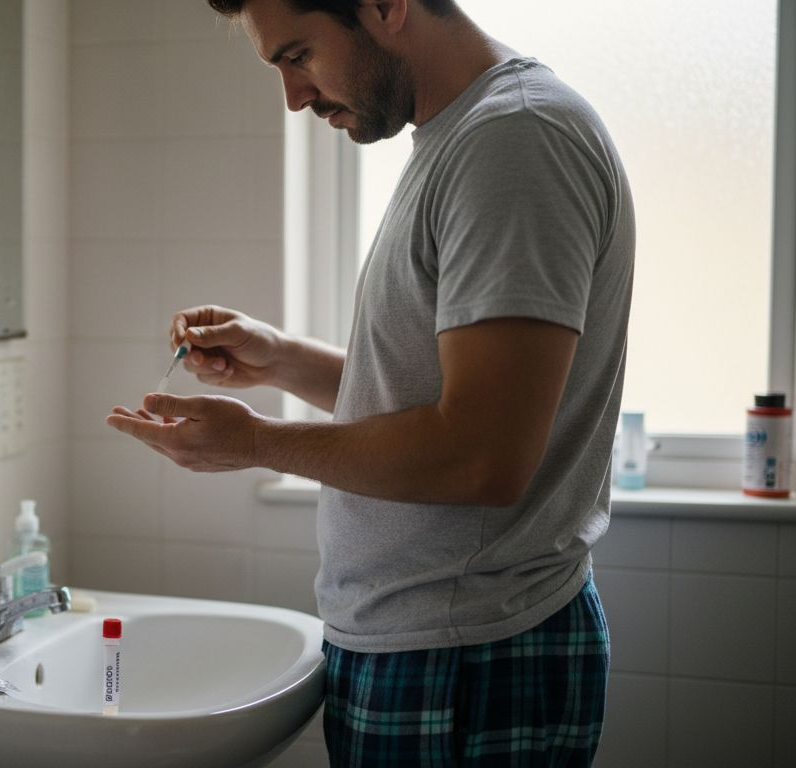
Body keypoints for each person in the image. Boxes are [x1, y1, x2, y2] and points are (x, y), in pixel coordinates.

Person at [105, 0, 634, 765]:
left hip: (468, 657)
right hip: (436, 646)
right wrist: (281, 357)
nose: (294, 96)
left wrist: (254, 443)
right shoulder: (464, 137)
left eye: (298, 55)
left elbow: (482, 455)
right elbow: (445, 402)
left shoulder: (515, 141)